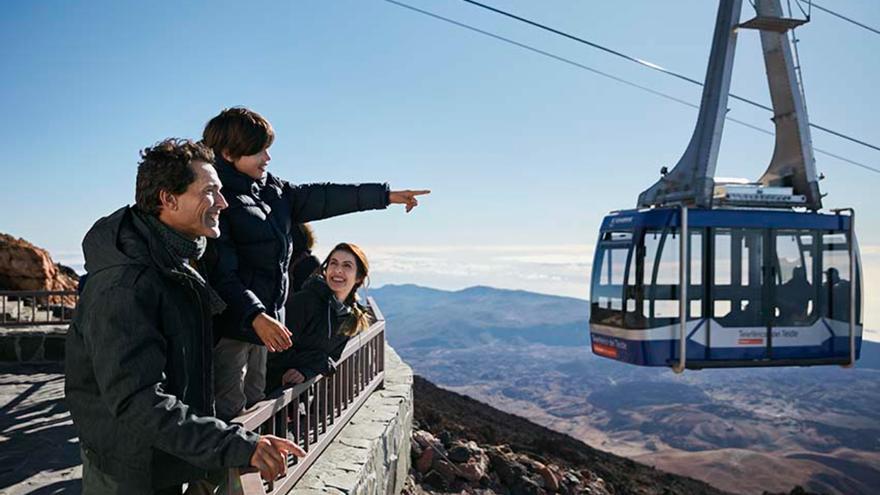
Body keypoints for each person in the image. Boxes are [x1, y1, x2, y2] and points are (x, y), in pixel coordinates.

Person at [65, 139, 303, 495]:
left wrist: (222, 441)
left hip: (166, 459)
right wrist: (234, 445)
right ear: (168, 199)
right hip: (132, 473)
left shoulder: (172, 261)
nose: (223, 203)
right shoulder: (125, 285)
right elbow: (138, 400)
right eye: (210, 192)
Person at [202, 107, 429, 420]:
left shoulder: (273, 191)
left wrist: (385, 196)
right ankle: (226, 467)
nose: (267, 158)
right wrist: (255, 316)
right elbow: (221, 274)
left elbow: (326, 197)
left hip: (265, 323)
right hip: (234, 327)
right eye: (259, 150)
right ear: (229, 153)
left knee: (257, 402)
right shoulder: (216, 202)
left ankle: (256, 462)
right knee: (229, 410)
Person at [266, 243, 372, 392]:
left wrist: (306, 371)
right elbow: (275, 350)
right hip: (272, 390)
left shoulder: (350, 316)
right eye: (333, 263)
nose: (338, 270)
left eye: (347, 266)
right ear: (326, 269)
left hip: (302, 393)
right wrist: (317, 360)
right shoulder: (305, 302)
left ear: (359, 277)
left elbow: (332, 357)